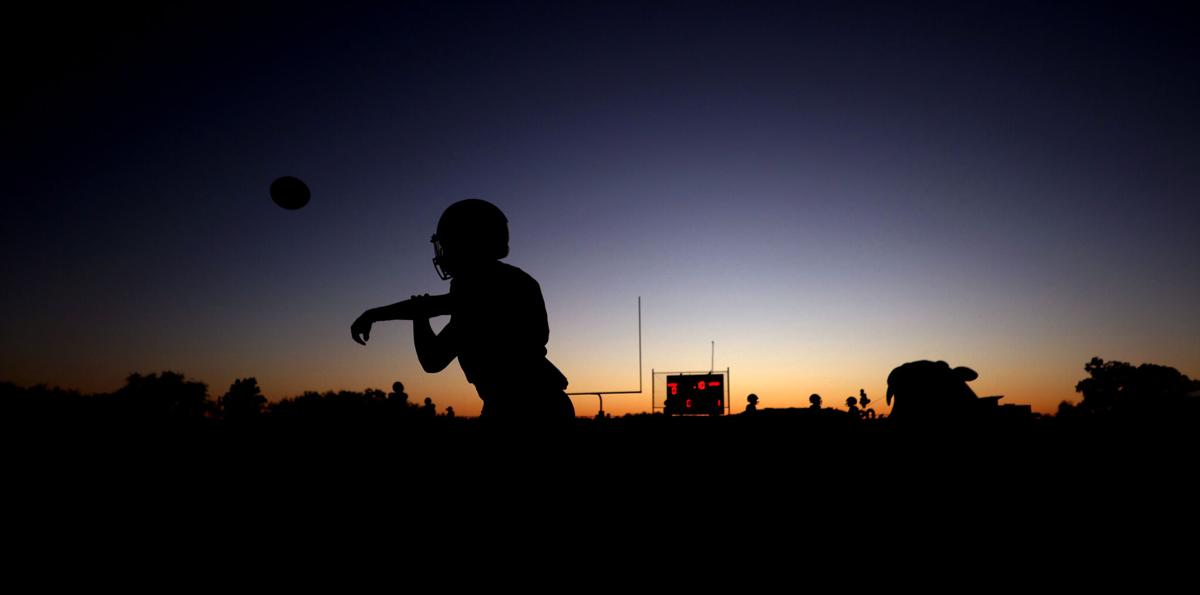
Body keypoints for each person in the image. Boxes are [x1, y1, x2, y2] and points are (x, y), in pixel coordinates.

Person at [350, 199, 574, 426]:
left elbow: (433, 357)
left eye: (448, 244)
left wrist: (385, 314)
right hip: (528, 403)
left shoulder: (489, 286)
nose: (444, 253)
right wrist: (418, 313)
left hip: (521, 408)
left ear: (466, 243)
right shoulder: (514, 282)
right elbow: (434, 358)